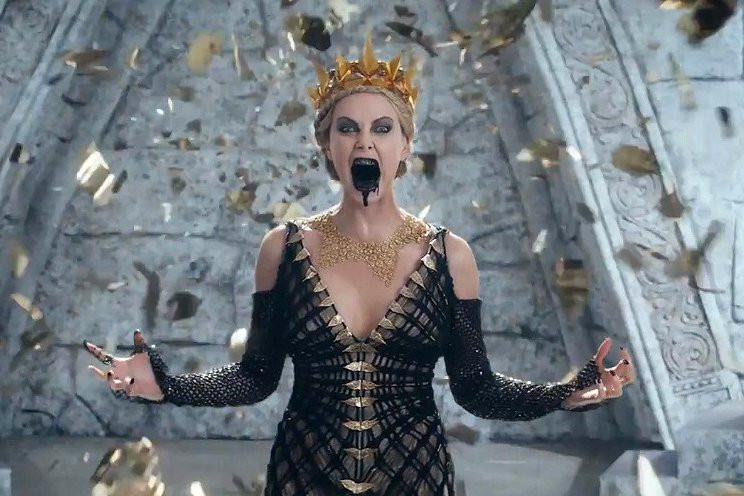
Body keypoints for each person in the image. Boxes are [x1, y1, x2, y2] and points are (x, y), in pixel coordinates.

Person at [83, 35, 636, 496]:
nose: (364, 141)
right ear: (327, 145)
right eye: (347, 128)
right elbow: (256, 377)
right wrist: (170, 385)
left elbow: (475, 387)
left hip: (415, 477)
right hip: (303, 475)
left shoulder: (452, 256)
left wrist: (562, 394)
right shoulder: (283, 249)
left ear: (405, 147)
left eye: (382, 128)